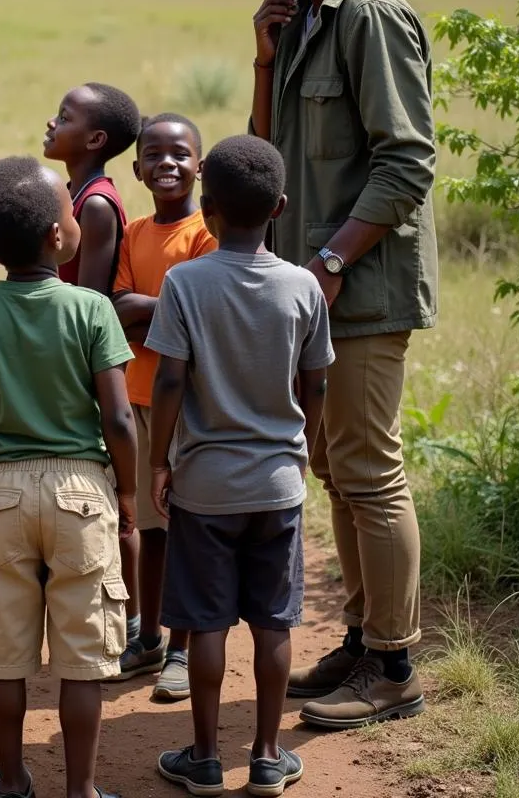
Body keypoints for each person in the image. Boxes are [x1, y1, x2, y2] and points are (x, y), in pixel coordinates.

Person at [236, 0, 437, 728]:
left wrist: (328, 265)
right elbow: (264, 159)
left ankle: (394, 667)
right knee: (333, 469)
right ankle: (361, 639)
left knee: (367, 470)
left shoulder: (372, 13)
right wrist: (263, 60)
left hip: (356, 291)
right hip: (311, 293)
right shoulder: (303, 17)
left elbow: (408, 161)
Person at [0, 156, 137, 798]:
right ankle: (80, 789)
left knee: (5, 653)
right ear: (57, 236)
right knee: (82, 658)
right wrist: (127, 491)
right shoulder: (91, 308)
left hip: (3, 490)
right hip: (82, 487)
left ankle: (15, 781)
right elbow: (118, 416)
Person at [146, 135, 333, 798]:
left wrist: (158, 464)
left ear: (209, 206)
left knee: (207, 621)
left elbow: (169, 383)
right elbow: (315, 386)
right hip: (278, 484)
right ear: (279, 207)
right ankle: (266, 757)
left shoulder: (184, 282)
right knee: (273, 622)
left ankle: (202, 758)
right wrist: (300, 447)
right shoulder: (303, 286)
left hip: (205, 486)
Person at [111, 114, 216, 700]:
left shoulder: (206, 234)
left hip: (185, 405)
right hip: (137, 399)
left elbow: (201, 308)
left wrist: (149, 308)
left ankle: (180, 649)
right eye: (154, 154)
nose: (167, 164)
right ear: (137, 168)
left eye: (180, 154)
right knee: (150, 531)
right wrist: (167, 306)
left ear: (199, 165)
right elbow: (117, 302)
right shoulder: (135, 232)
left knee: (180, 530)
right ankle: (148, 637)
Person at [43, 83, 141, 294]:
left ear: (95, 140)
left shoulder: (97, 204)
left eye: (64, 118)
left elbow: (90, 299)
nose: (51, 123)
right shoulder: (72, 193)